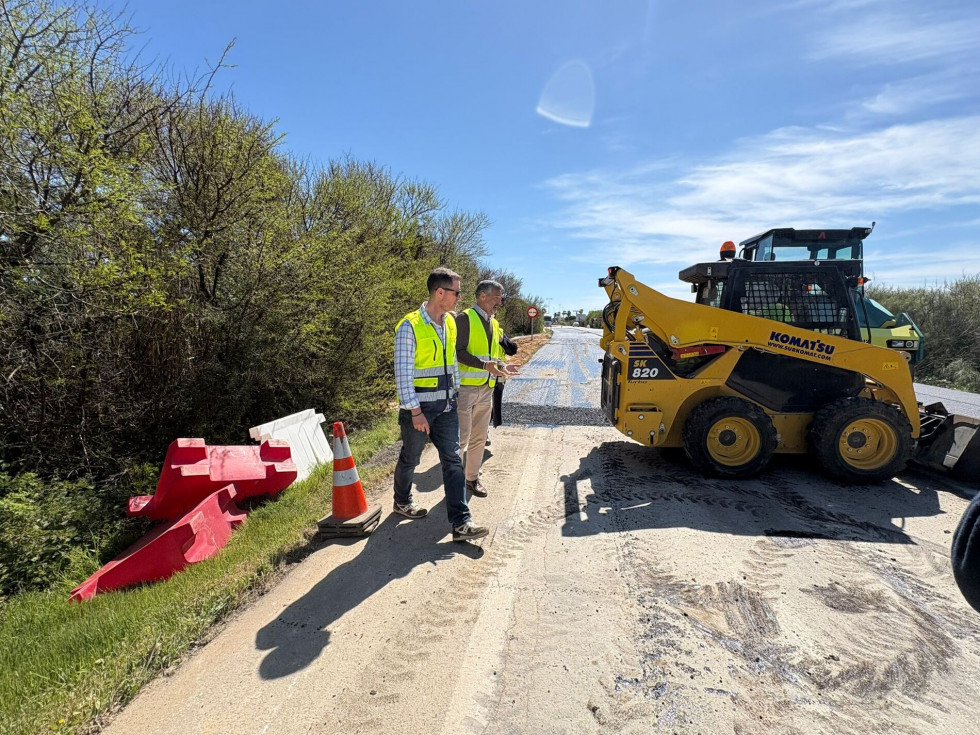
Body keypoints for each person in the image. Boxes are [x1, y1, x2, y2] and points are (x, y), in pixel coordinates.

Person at [392, 267, 488, 542]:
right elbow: (403, 374)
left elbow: (451, 362)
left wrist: (455, 392)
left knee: (453, 461)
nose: (460, 297)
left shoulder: (450, 323)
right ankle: (401, 501)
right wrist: (415, 412)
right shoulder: (409, 326)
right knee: (411, 458)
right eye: (457, 292)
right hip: (419, 410)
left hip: (446, 408)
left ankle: (461, 523)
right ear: (440, 293)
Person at [454, 280, 518, 497]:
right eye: (496, 297)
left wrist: (502, 366)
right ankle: (453, 482)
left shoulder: (494, 323)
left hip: (487, 388)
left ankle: (472, 479)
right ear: (482, 296)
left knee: (479, 437)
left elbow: (492, 356)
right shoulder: (464, 318)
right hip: (466, 389)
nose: (500, 302)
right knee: (461, 439)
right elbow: (458, 352)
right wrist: (484, 365)